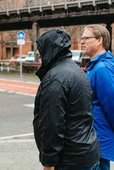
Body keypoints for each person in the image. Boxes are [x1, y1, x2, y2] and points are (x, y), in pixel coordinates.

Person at [33, 29, 100, 170]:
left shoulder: (55, 79)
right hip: (87, 153)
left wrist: (49, 162)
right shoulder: (78, 71)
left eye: (41, 52)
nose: (39, 56)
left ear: (50, 51)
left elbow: (52, 124)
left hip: (69, 160)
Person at [81, 25, 114, 170]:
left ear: (99, 40)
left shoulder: (102, 68)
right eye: (81, 38)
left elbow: (112, 104)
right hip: (95, 135)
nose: (82, 41)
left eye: (86, 38)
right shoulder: (96, 66)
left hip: (98, 137)